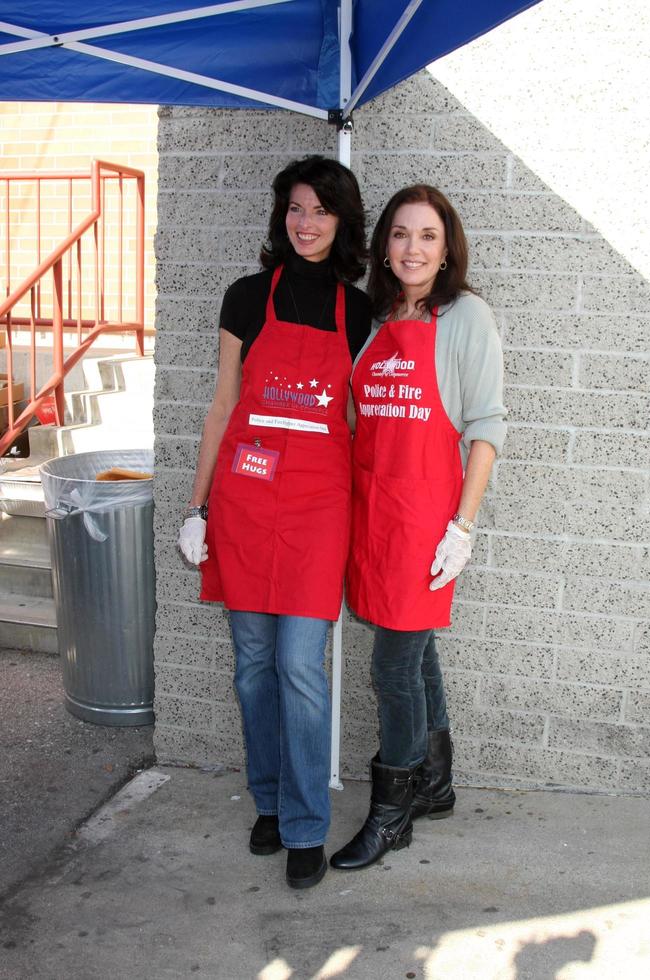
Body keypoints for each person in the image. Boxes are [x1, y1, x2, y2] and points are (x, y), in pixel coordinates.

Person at [177, 156, 370, 890]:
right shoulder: (247, 297)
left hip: (319, 511)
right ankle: (268, 800)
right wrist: (198, 506)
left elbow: (363, 423)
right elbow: (223, 407)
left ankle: (305, 825)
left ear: (341, 221)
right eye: (295, 207)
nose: (306, 222)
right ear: (280, 215)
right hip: (246, 503)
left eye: (320, 210)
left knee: (298, 666)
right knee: (253, 666)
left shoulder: (359, 312)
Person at [330, 184, 507, 871]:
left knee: (393, 666)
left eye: (427, 236)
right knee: (416, 650)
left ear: (446, 248)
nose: (412, 248)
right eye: (400, 235)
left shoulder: (466, 317)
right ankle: (436, 783)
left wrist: (462, 527)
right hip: (374, 516)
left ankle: (391, 811)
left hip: (425, 525)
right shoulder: (376, 320)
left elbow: (486, 429)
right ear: (384, 247)